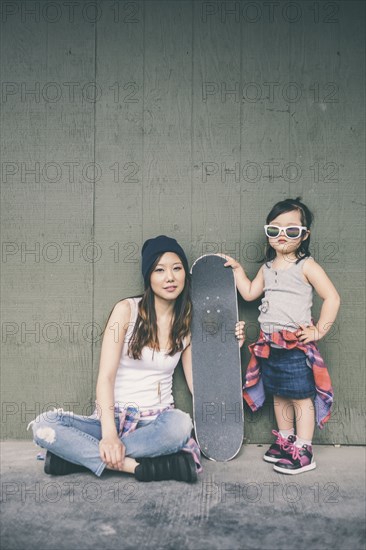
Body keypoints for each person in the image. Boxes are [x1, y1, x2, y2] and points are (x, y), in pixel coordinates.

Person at [28, 235, 245, 482]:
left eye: (177, 268)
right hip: (110, 420)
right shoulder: (126, 311)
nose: (170, 277)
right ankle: (139, 467)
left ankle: (75, 458)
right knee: (45, 424)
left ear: (185, 273)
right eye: (159, 270)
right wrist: (109, 435)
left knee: (181, 426)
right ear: (149, 277)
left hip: (154, 426)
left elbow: (200, 387)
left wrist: (227, 350)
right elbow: (105, 378)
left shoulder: (188, 322)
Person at [223, 198, 340, 475]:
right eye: (274, 230)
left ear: (304, 235)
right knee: (278, 394)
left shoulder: (306, 266)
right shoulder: (267, 268)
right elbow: (250, 293)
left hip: (294, 346)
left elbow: (332, 297)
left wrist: (318, 330)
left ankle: (304, 449)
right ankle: (286, 440)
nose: (282, 236)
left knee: (301, 398)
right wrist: (239, 271)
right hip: (268, 345)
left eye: (292, 230)